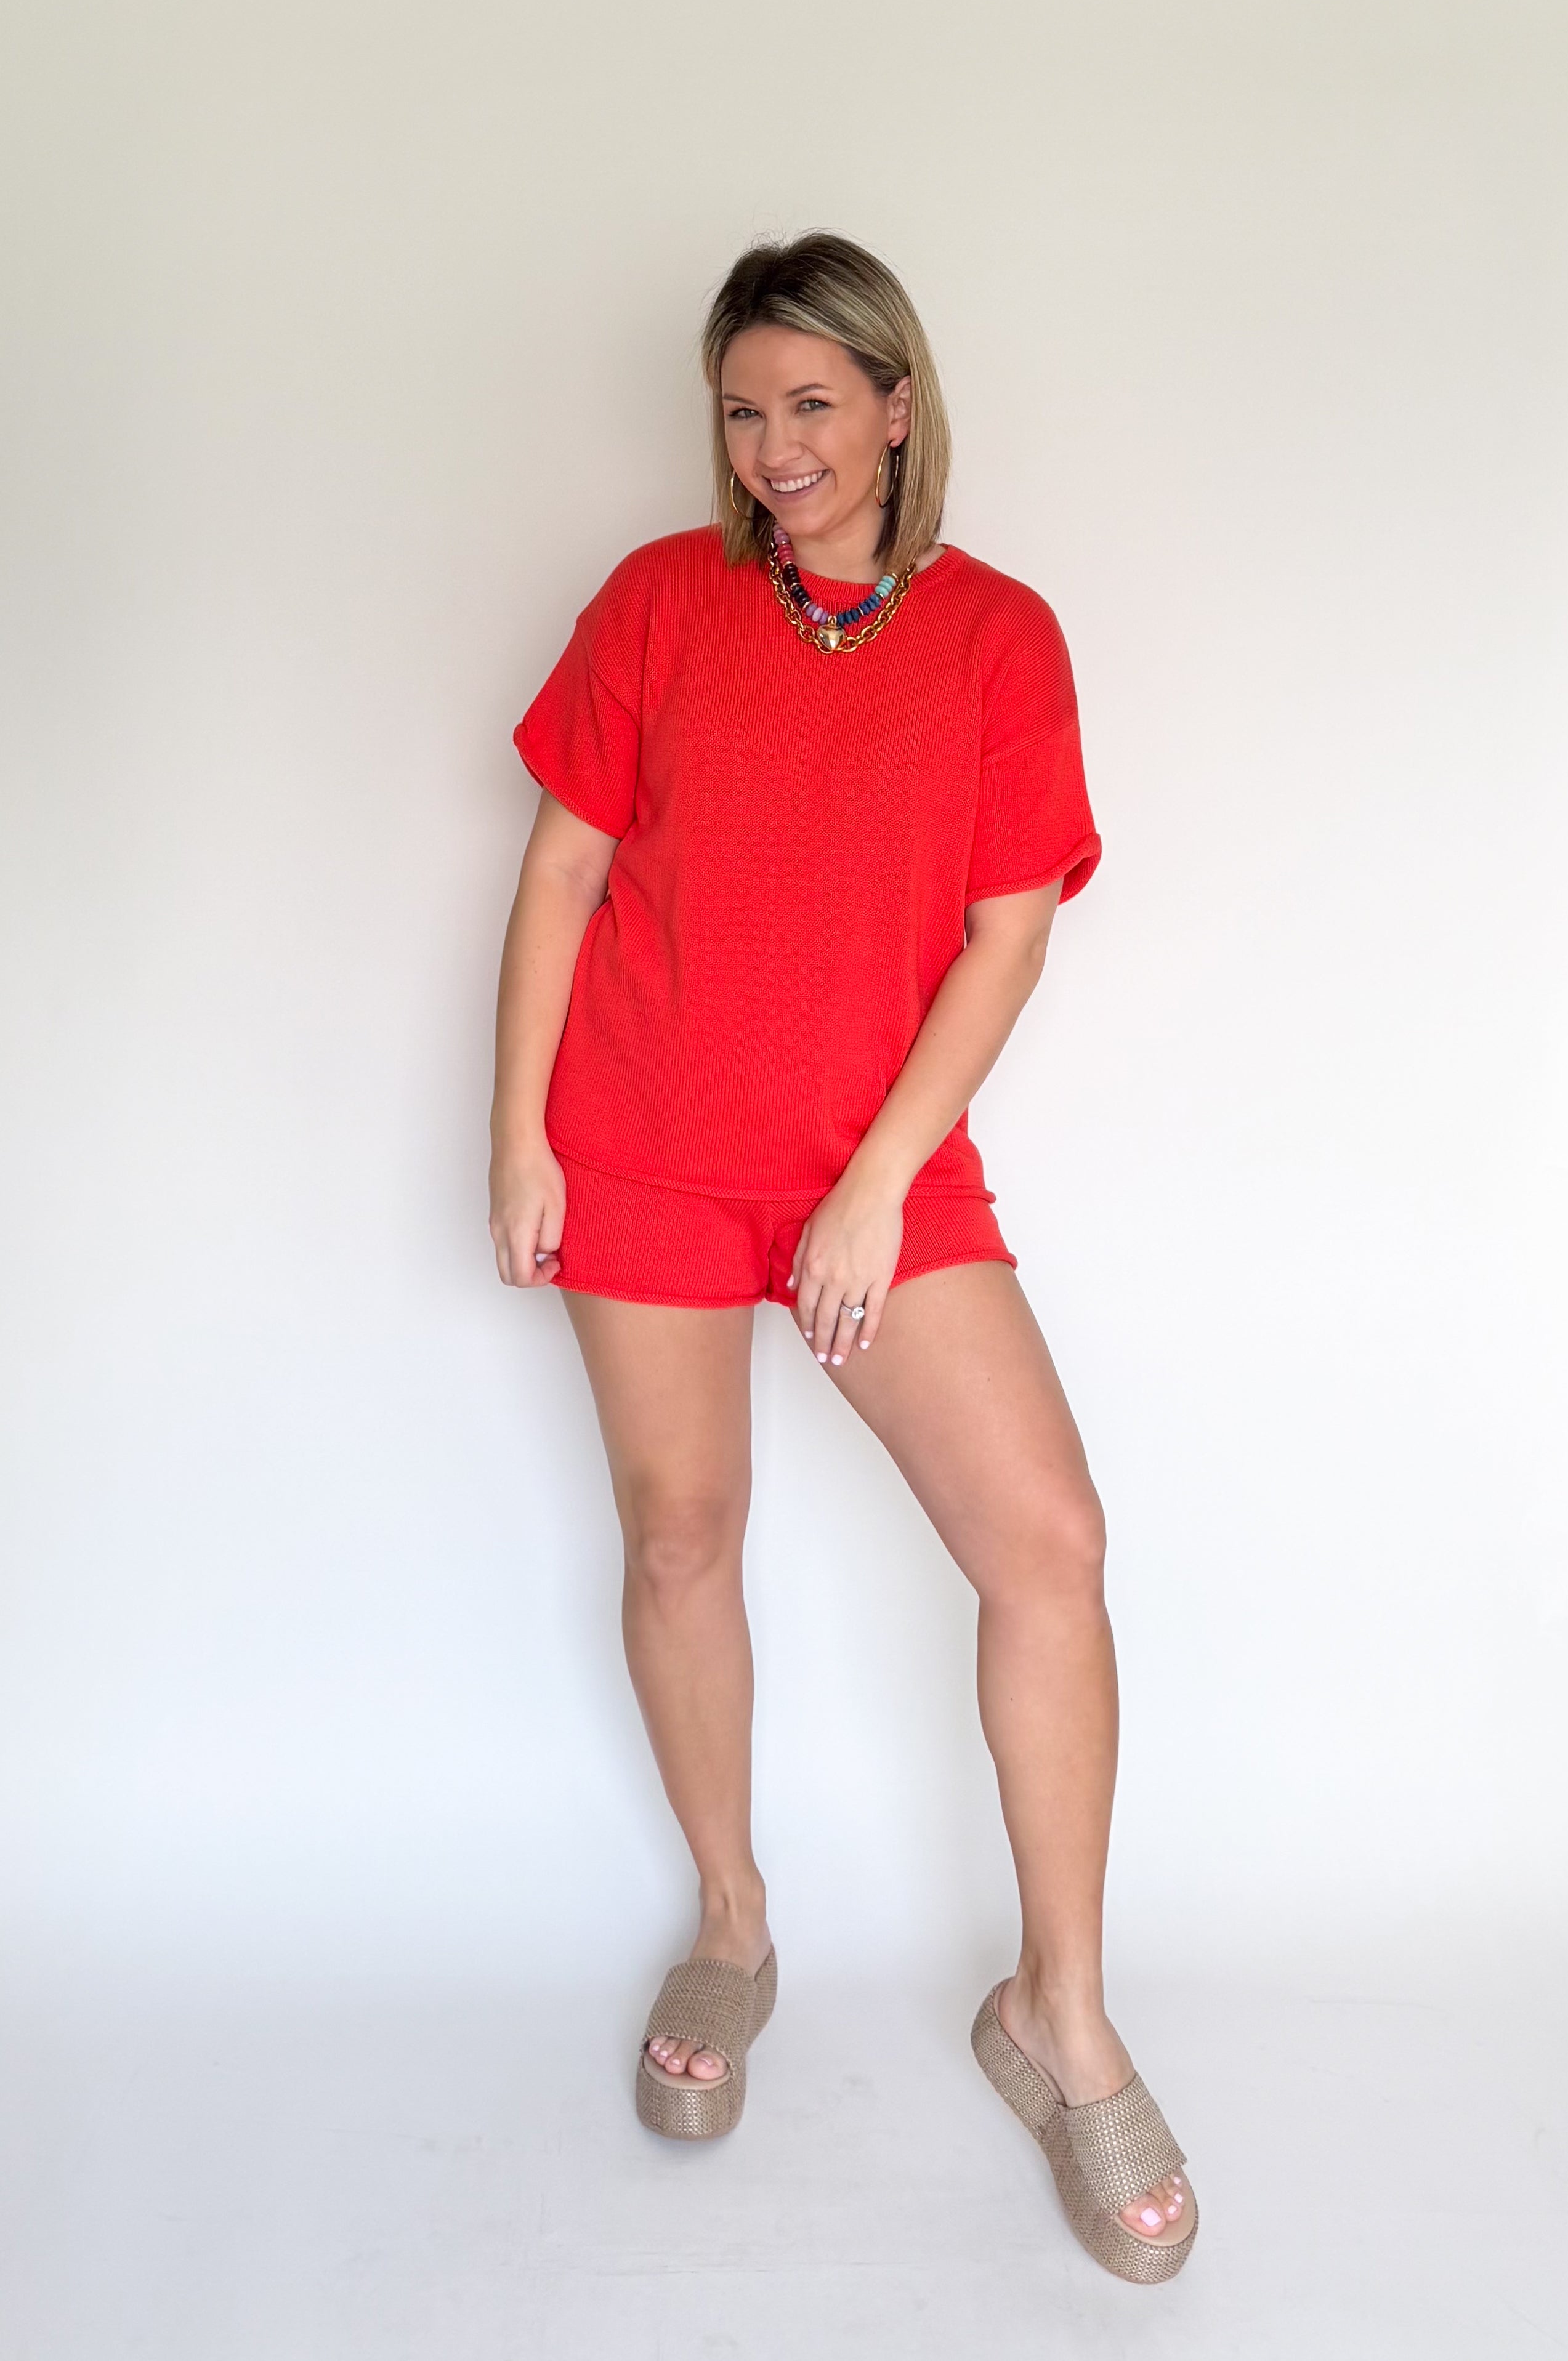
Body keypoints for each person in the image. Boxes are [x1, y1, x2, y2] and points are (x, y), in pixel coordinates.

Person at [487, 232, 1196, 2283]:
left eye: (812, 403)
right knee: (678, 1535)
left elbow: (1006, 934)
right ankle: (732, 1920)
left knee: (1045, 1543)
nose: (774, 447)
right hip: (641, 1144)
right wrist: (518, 1131)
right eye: (742, 410)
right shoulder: (656, 599)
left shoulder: (995, 636)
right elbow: (562, 865)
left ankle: (1056, 2015)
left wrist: (879, 1180)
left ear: (896, 404)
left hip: (869, 1165)